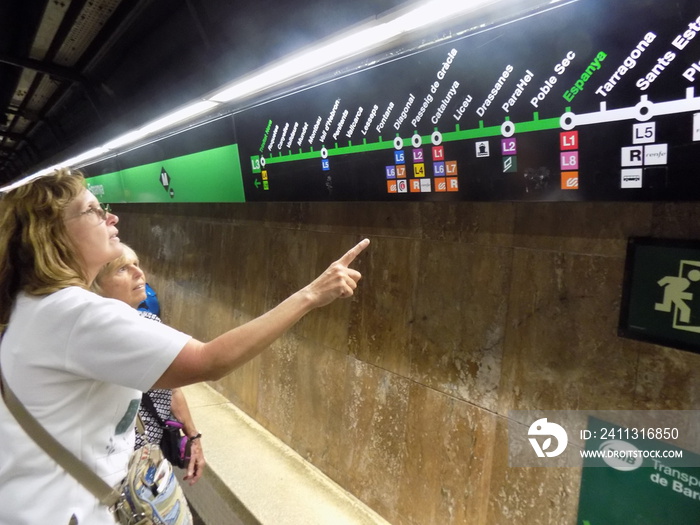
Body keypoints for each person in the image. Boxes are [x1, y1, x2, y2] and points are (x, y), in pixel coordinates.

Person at [0, 168, 369, 525]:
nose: (111, 218)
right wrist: (311, 294)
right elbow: (211, 360)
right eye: (94, 211)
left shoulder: (38, 306)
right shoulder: (77, 314)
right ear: (52, 234)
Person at [91, 244, 205, 485]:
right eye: (122, 269)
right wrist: (305, 297)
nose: (138, 273)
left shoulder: (139, 321)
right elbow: (211, 362)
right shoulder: (135, 326)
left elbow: (171, 388)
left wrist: (193, 435)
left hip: (144, 453)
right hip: (123, 462)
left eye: (137, 264)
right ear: (95, 285)